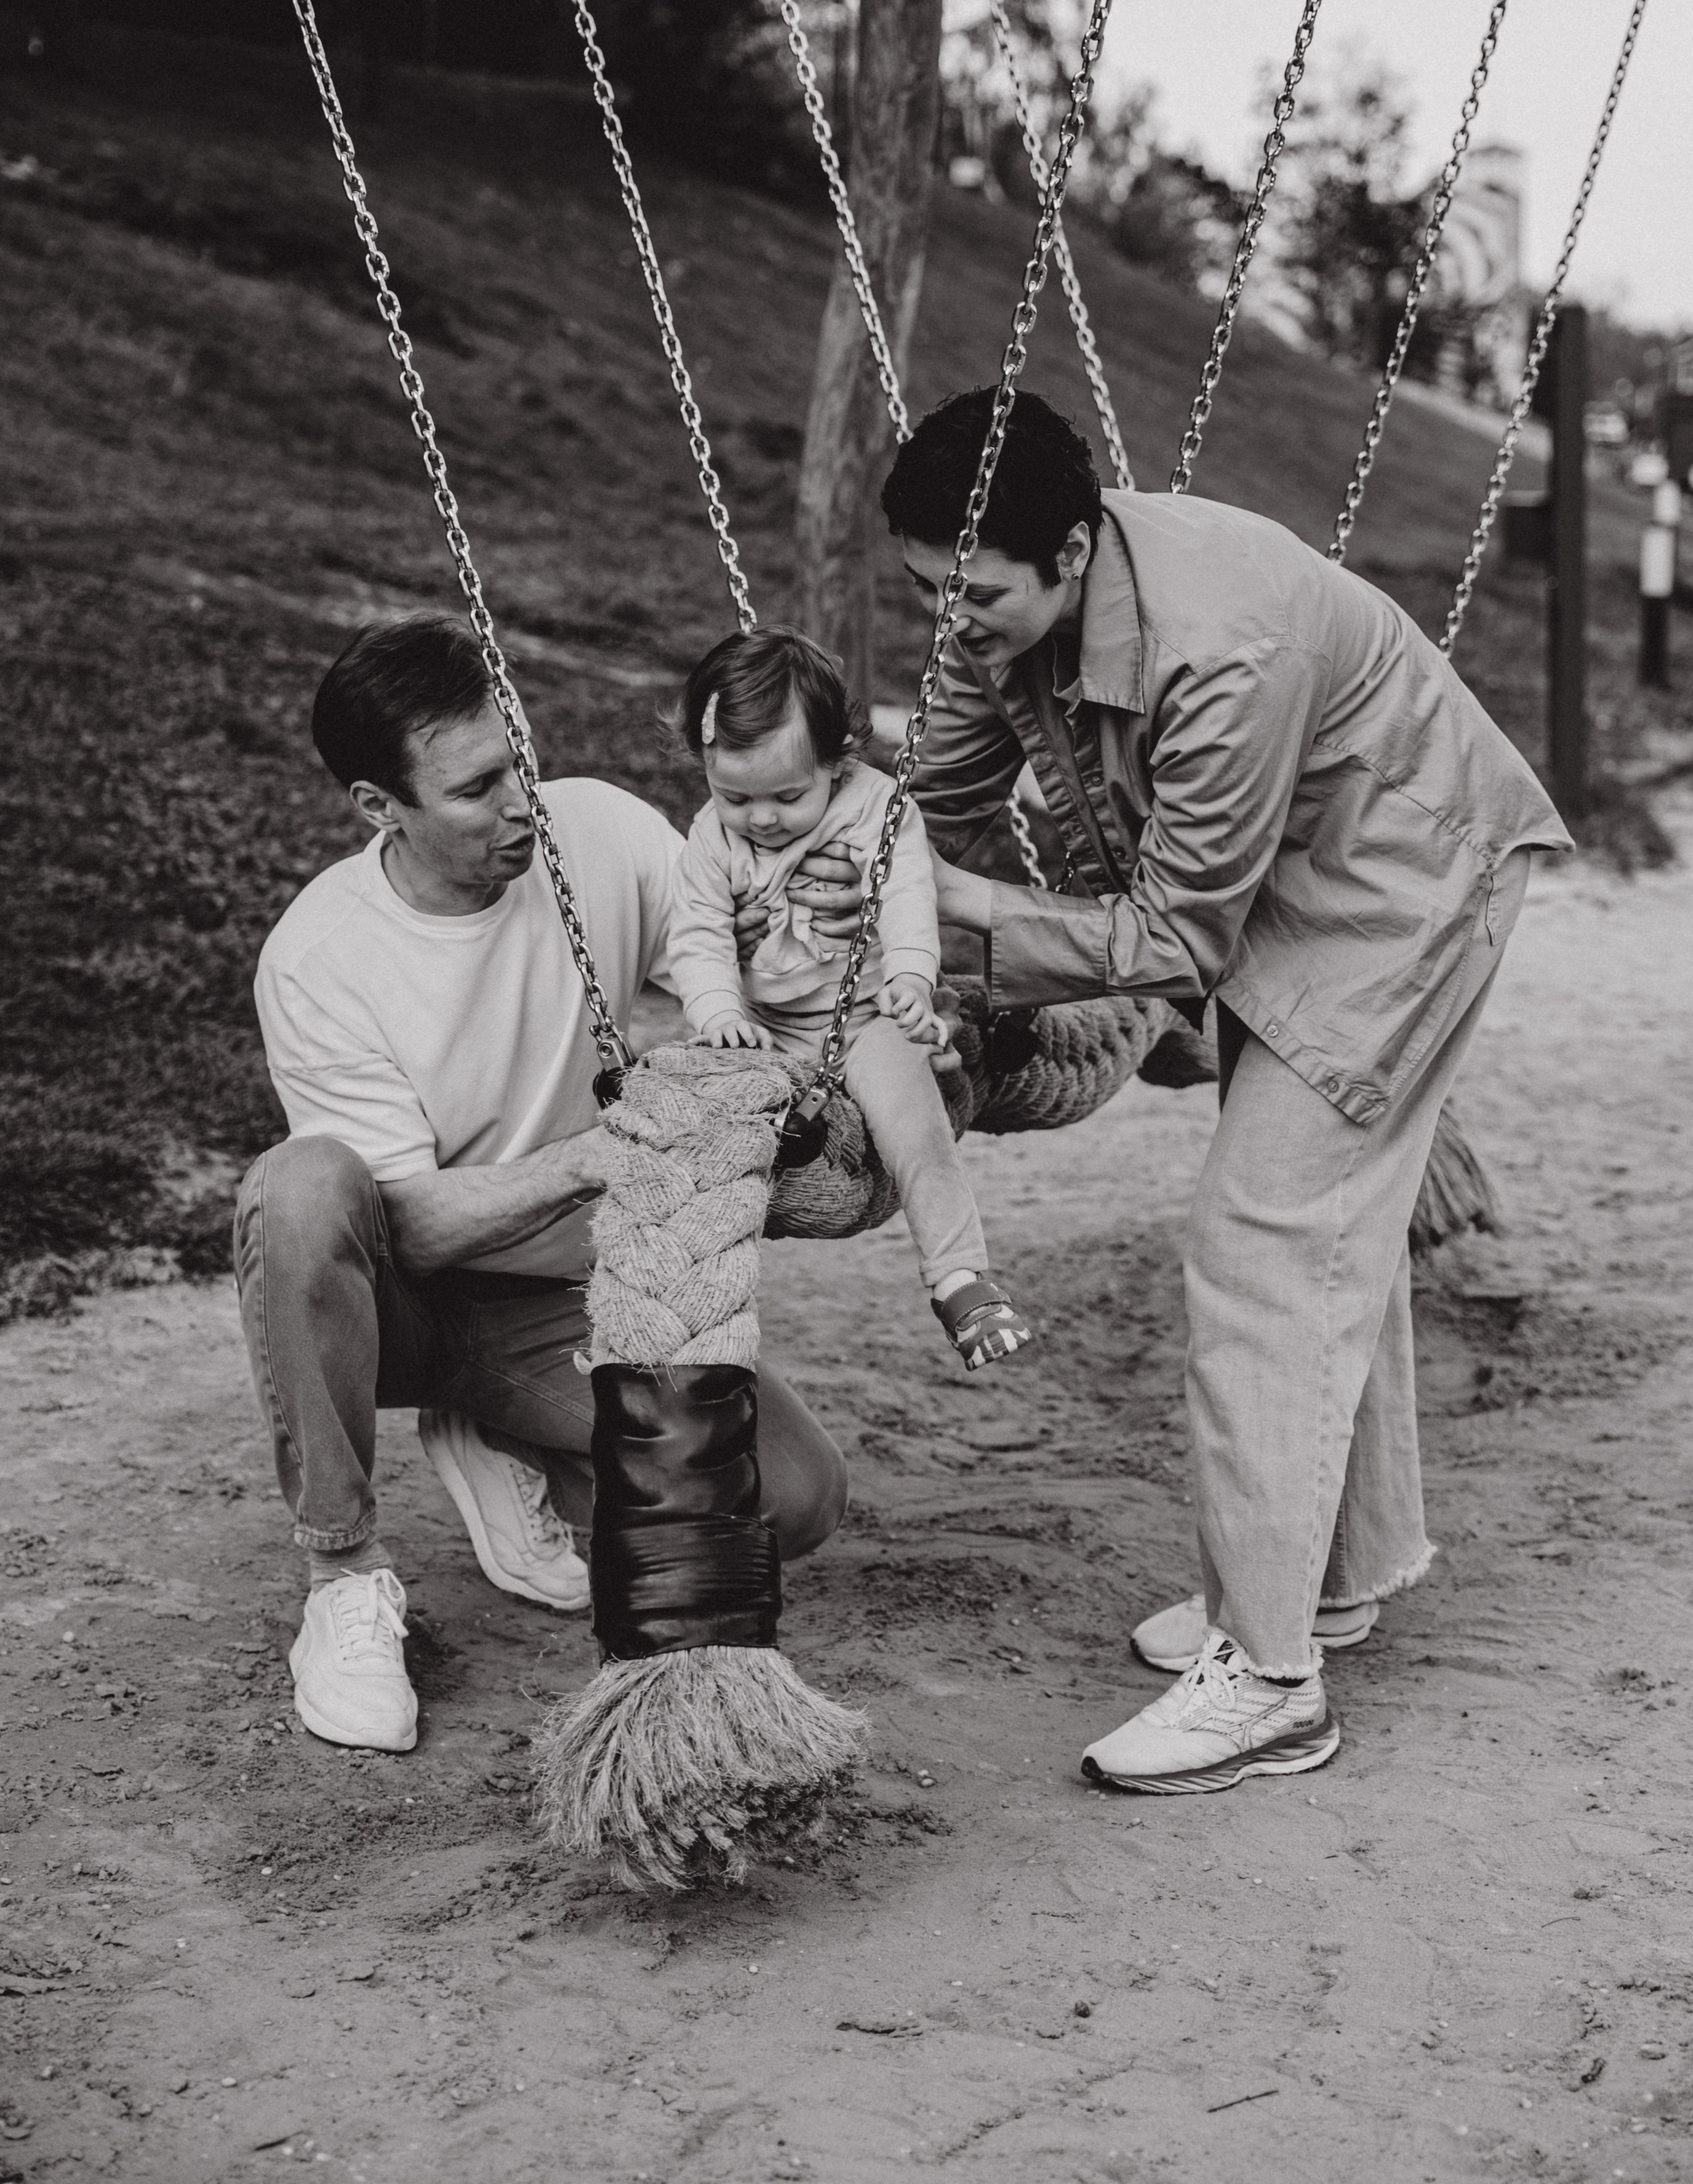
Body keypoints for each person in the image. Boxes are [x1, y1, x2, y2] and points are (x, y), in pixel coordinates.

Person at [885, 387, 1571, 1796]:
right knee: (1327, 1240)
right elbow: (941, 798)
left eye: (976, 602)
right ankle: (1323, 1580)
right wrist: (921, 955)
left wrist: (975, 918)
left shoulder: (1219, 646)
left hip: (1397, 888)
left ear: (1071, 554)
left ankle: (1267, 1684)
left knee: (1262, 1237)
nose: (950, 628)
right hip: (1283, 890)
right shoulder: (989, 590)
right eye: (922, 598)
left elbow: (1175, 936)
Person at [236, 614, 850, 1754]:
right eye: (477, 789)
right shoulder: (322, 959)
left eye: (518, 758)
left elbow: (739, 975)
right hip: (407, 1309)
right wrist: (597, 1156)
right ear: (383, 808)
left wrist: (826, 958)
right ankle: (345, 1578)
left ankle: (500, 1435)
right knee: (301, 1189)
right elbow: (405, 1225)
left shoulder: (599, 830)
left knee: (795, 1497)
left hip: (558, 1305)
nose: (521, 802)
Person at [667, 625, 1036, 1371]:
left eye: (787, 795)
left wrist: (908, 975)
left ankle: (961, 1279)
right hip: (763, 1025)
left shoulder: (876, 808)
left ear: (839, 761)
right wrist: (720, 1014)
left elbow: (904, 892)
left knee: (917, 1136)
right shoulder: (711, 838)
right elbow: (697, 936)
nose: (760, 818)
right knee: (691, 1140)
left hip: (863, 1018)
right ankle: (676, 1321)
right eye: (733, 793)